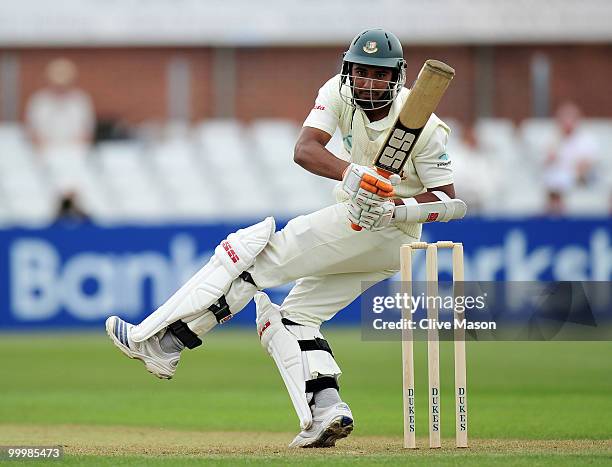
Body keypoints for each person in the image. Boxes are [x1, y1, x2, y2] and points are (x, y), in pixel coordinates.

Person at [105, 28, 466, 448]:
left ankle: (162, 342)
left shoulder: (424, 125)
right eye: (361, 72)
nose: (367, 82)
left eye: (378, 75)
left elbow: (451, 203)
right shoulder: (337, 91)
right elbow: (305, 149)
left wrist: (394, 209)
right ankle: (327, 410)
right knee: (291, 320)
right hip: (360, 223)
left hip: (387, 230)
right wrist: (354, 174)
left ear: (397, 78)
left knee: (248, 258)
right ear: (349, 70)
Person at [543, 102, 598, 215]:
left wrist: (575, 172)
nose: (566, 122)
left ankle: (557, 210)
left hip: (580, 178)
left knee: (560, 179)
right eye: (563, 118)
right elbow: (547, 162)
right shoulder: (552, 137)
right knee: (553, 179)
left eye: (570, 118)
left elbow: (586, 164)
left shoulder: (587, 139)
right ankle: (554, 212)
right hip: (558, 177)